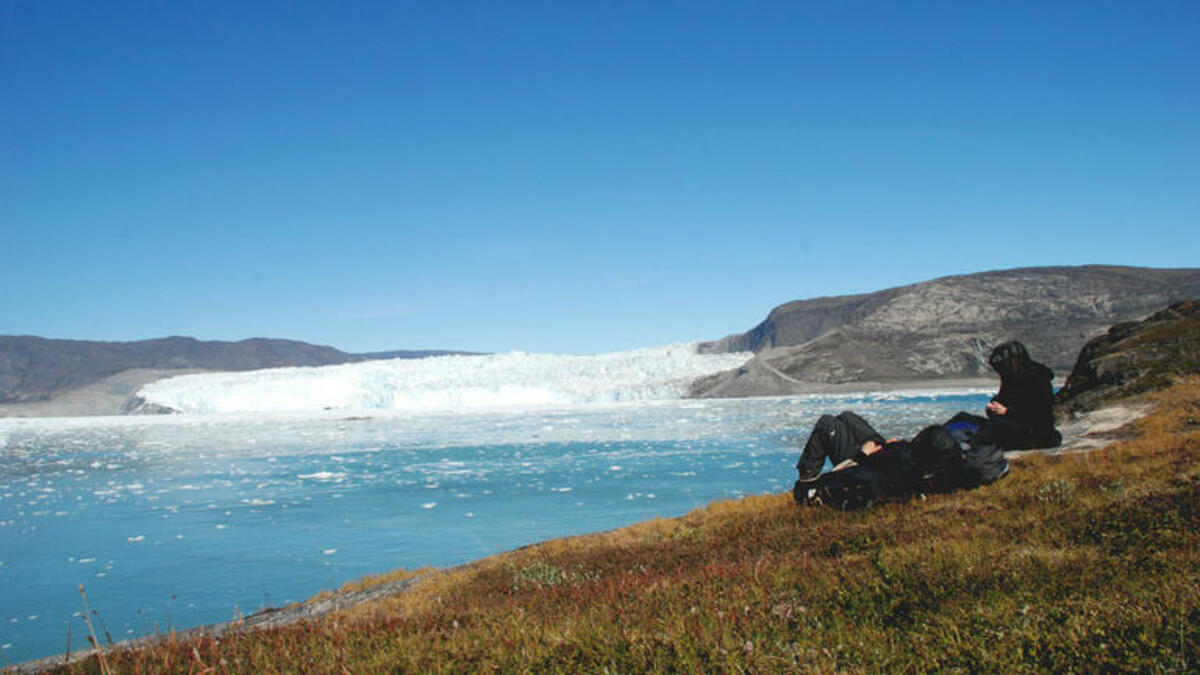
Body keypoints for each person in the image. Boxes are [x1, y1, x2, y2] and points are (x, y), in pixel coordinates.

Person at [985, 340, 1062, 450]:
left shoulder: (1038, 379)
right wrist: (994, 406)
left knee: (992, 428)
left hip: (1035, 433)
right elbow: (1005, 399)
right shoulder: (1011, 378)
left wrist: (1007, 412)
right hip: (1016, 425)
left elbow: (1039, 413)